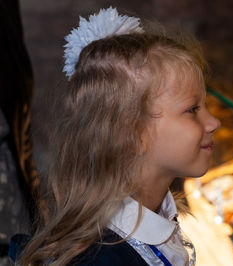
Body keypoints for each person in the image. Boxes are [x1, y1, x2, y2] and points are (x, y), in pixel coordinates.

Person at [12, 7, 220, 266]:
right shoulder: (104, 259)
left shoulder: (156, 216)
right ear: (132, 134)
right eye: (192, 110)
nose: (214, 122)